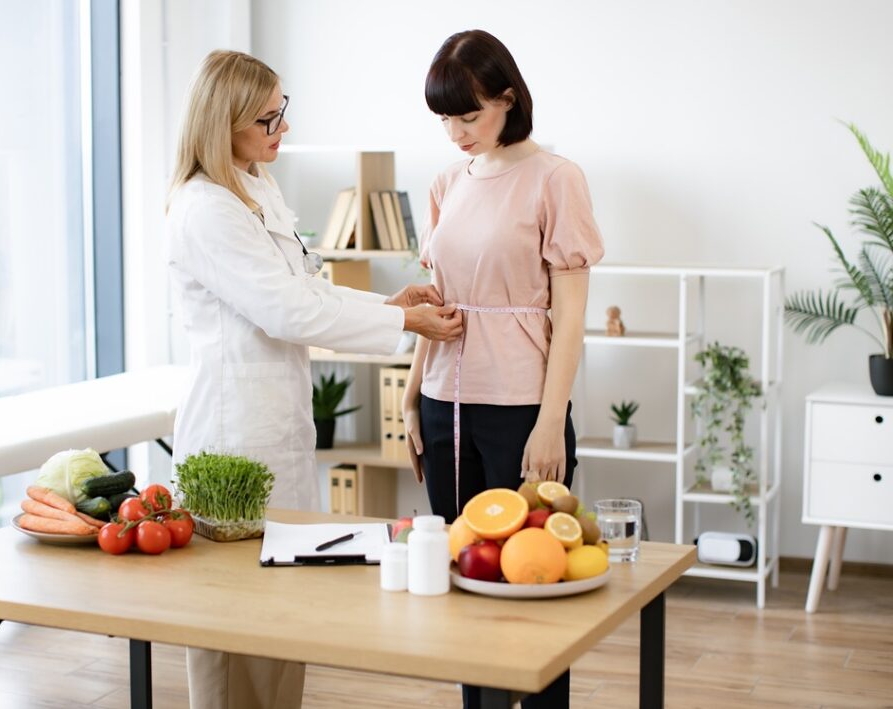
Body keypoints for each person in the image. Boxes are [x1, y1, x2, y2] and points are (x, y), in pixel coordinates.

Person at [165, 49, 463, 709]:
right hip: (234, 433)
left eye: (283, 113)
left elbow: (306, 287)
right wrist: (404, 322)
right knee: (233, 620)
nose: (284, 129)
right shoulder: (205, 209)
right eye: (268, 120)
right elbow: (286, 311)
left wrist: (389, 304)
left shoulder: (255, 185)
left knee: (281, 610)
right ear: (222, 123)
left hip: (278, 423)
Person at [403, 31, 603, 705]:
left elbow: (569, 318)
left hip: (522, 405)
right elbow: (437, 304)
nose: (456, 134)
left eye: (469, 116)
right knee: (465, 576)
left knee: (536, 578)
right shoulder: (446, 183)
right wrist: (411, 396)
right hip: (443, 402)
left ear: (508, 99)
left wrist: (551, 422)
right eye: (445, 119)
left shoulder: (556, 178)